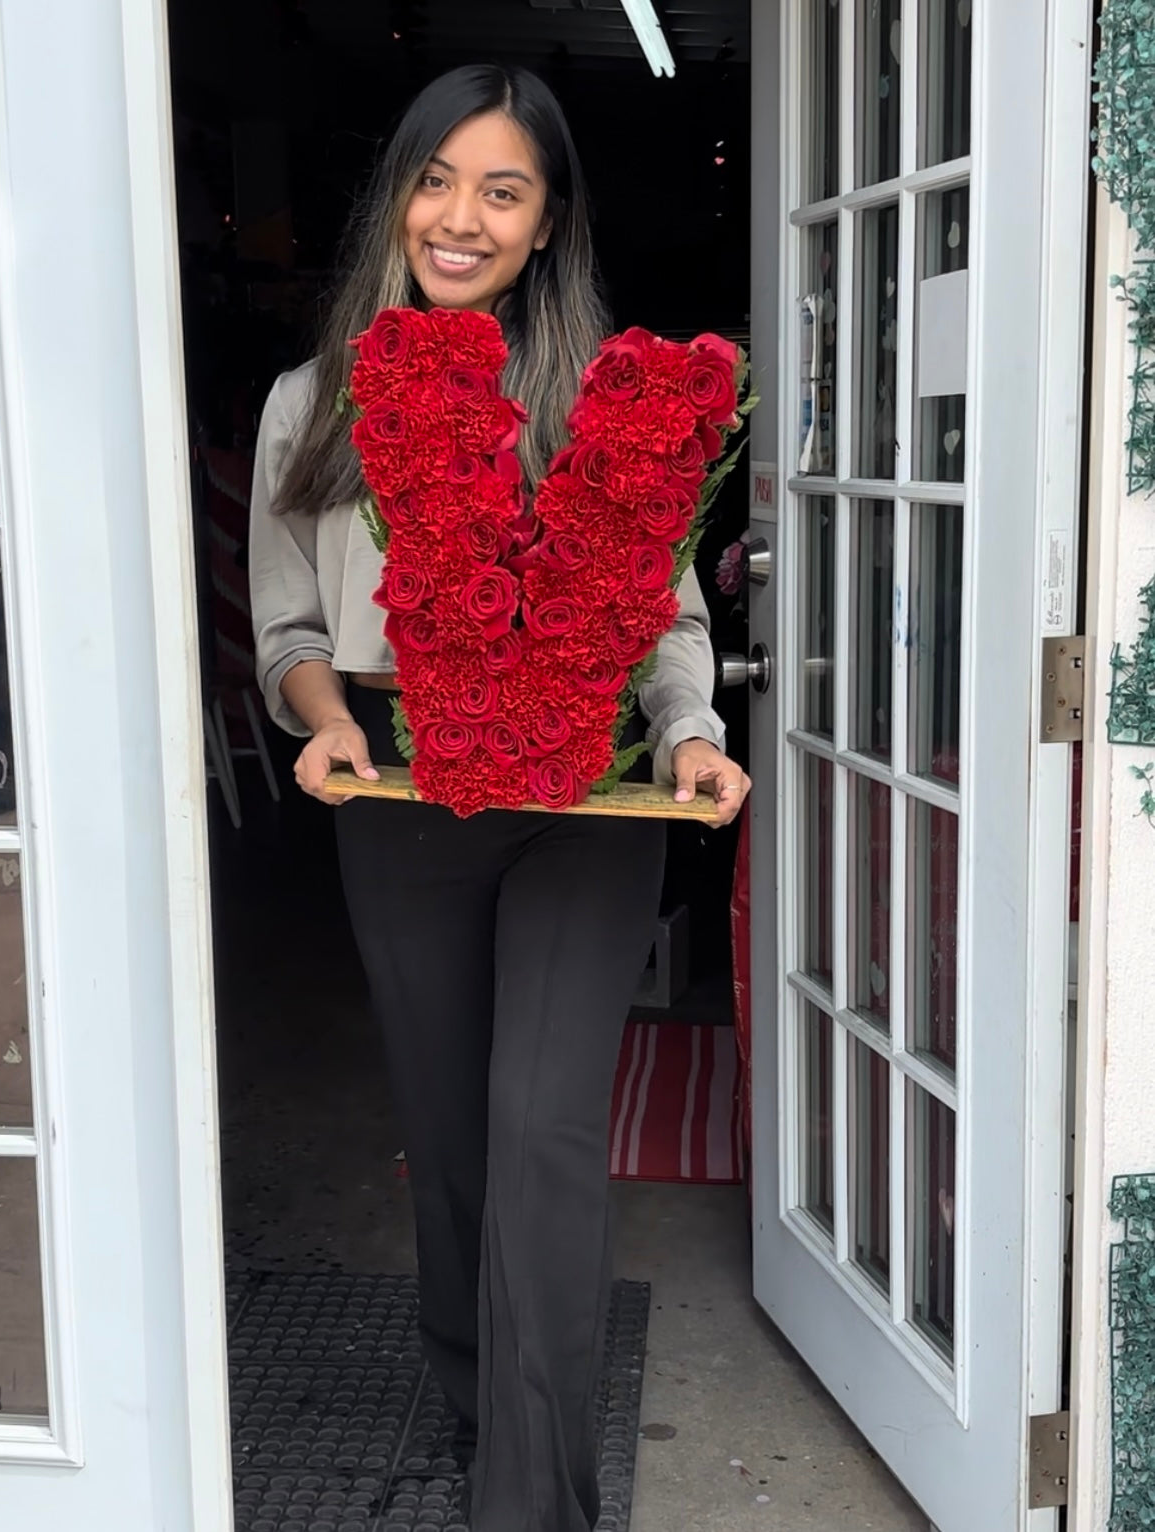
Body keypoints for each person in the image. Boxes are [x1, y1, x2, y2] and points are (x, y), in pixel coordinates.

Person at [248, 63, 751, 1532]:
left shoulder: (608, 401)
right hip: (399, 783)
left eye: (502, 191)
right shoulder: (311, 402)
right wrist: (330, 724)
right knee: (450, 1133)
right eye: (436, 180)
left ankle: (532, 1504)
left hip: (584, 793)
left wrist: (687, 736)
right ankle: (479, 1414)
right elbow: (286, 632)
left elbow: (662, 613)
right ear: (396, 198)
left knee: (538, 1127)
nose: (460, 218)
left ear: (546, 228)